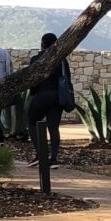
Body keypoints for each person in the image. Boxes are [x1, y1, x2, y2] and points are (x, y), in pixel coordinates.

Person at [25, 32, 68, 168]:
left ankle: (40, 154)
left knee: (32, 122)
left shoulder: (36, 59)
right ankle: (54, 159)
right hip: (57, 96)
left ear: (43, 43)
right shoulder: (62, 60)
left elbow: (32, 80)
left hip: (41, 95)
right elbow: (67, 78)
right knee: (53, 127)